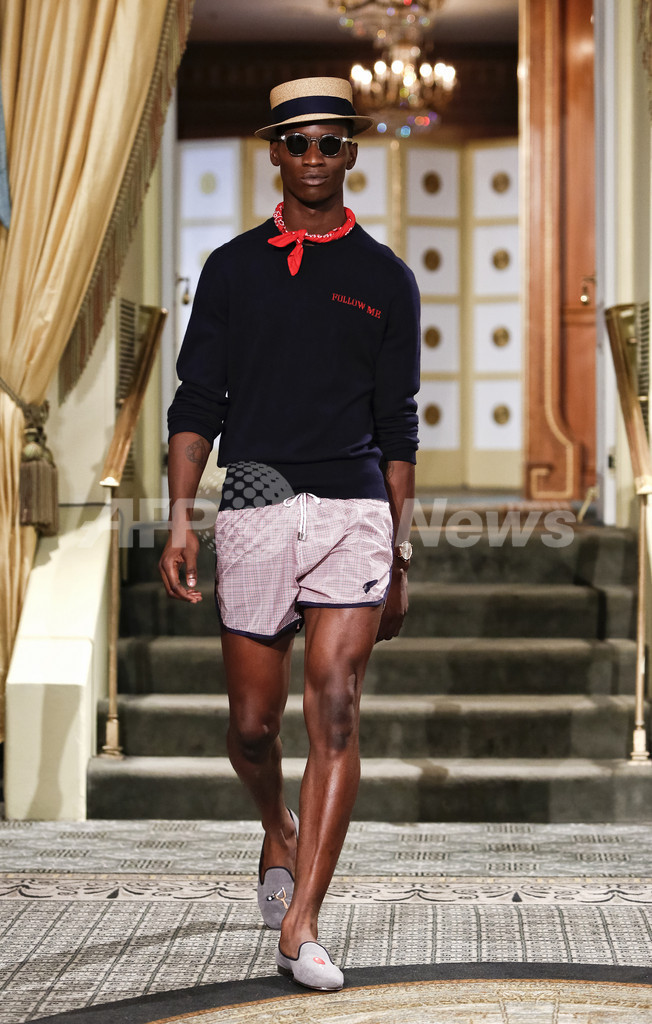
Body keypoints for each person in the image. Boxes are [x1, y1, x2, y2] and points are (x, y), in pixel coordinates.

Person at [159, 76, 420, 992]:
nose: (315, 157)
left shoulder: (387, 278)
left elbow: (398, 428)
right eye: (298, 142)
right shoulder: (232, 268)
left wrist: (399, 553)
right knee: (252, 727)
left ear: (352, 152)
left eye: (331, 142)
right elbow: (197, 402)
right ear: (274, 152)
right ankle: (277, 824)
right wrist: (181, 515)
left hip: (353, 511)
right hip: (255, 504)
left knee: (336, 708)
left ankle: (302, 921)